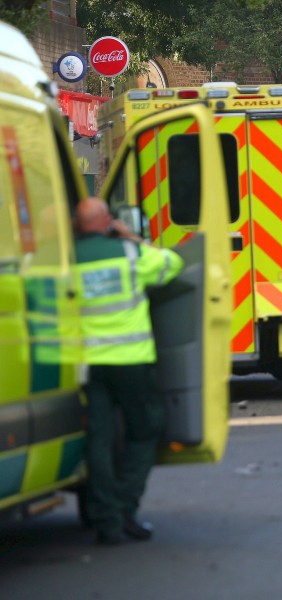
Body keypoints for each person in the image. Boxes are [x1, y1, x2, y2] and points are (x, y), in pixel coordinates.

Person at [75, 197, 184, 545]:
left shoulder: (67, 259)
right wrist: (131, 237)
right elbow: (174, 263)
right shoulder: (130, 254)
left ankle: (107, 521)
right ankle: (126, 508)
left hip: (89, 365)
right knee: (144, 431)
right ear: (107, 220)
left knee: (100, 440)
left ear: (77, 225)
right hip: (132, 361)